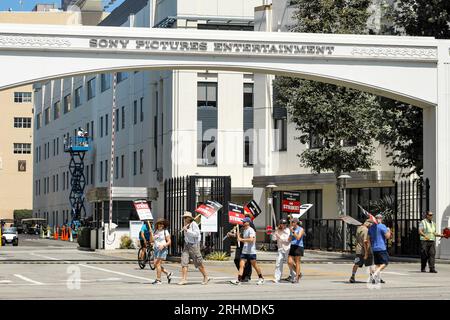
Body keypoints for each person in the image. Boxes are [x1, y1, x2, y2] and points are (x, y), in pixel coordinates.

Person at [231, 217, 265, 285]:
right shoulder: (244, 230)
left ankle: (261, 278)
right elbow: (245, 241)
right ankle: (239, 280)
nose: (243, 223)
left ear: (248, 223)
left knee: (255, 265)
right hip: (244, 251)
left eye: (244, 222)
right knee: (241, 265)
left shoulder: (251, 230)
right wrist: (238, 236)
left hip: (251, 251)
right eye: (243, 222)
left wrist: (241, 240)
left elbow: (251, 240)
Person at [178, 211, 209, 285]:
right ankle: (184, 279)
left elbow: (196, 234)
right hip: (187, 245)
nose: (184, 219)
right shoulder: (186, 224)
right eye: (184, 217)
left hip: (194, 245)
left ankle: (205, 276)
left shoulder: (194, 224)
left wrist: (187, 230)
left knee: (198, 262)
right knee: (184, 261)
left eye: (186, 217)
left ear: (189, 218)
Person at [226, 212, 255, 282]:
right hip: (240, 245)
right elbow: (238, 234)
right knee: (236, 259)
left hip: (247, 245)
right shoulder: (239, 224)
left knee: (247, 261)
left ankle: (247, 276)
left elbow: (251, 236)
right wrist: (231, 234)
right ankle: (243, 274)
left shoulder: (250, 224)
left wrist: (242, 239)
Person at [368, 214, 391, 284]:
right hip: (381, 248)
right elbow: (387, 236)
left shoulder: (371, 227)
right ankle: (375, 273)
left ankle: (377, 278)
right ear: (381, 219)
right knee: (385, 263)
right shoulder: (382, 226)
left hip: (374, 248)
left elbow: (368, 237)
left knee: (378, 264)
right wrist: (388, 230)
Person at [150, 218, 173, 284]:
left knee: (157, 264)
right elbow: (151, 240)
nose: (161, 225)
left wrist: (163, 245)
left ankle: (158, 280)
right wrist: (151, 233)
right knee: (155, 264)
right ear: (157, 224)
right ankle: (168, 273)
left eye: (162, 224)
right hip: (156, 249)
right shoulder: (155, 231)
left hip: (162, 249)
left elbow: (169, 241)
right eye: (159, 224)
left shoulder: (165, 231)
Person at [272, 218, 292, 283]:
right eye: (282, 224)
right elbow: (274, 239)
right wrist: (274, 233)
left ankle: (293, 275)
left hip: (287, 249)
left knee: (289, 263)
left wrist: (279, 237)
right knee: (278, 263)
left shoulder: (288, 230)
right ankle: (277, 278)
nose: (283, 225)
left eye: (285, 224)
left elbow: (287, 240)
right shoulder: (278, 230)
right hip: (280, 249)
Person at [287, 218, 305, 283]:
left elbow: (298, 237)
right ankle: (299, 273)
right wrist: (290, 235)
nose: (292, 223)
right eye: (291, 222)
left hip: (299, 246)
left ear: (296, 223)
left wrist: (293, 231)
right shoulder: (292, 230)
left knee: (297, 262)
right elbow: (289, 239)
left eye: (293, 222)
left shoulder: (301, 229)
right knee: (289, 262)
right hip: (292, 246)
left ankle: (296, 277)